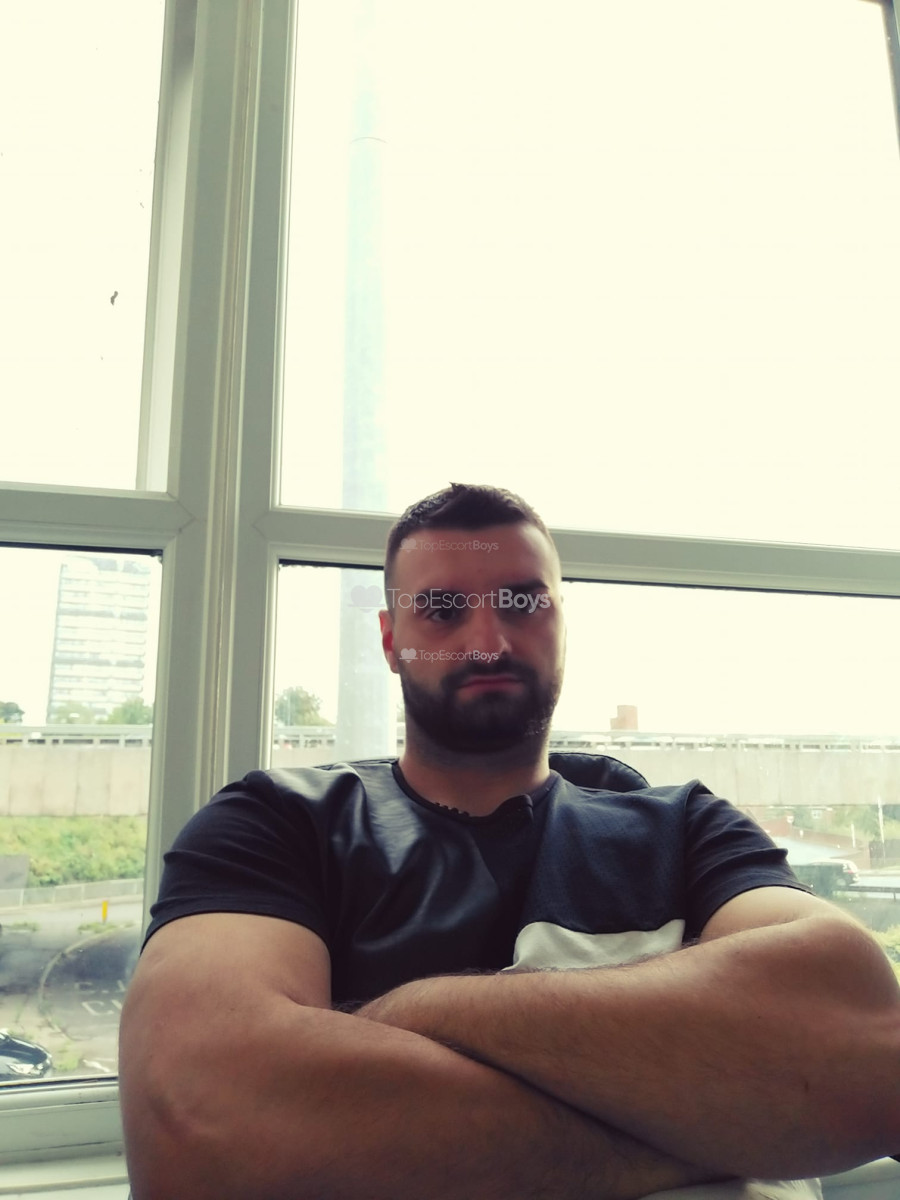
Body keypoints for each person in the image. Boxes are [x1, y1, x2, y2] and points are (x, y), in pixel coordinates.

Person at [119, 483, 900, 1200]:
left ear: (562, 625)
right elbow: (197, 1126)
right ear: (391, 641)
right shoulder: (277, 823)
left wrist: (414, 1008)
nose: (488, 640)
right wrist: (708, 1133)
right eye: (442, 609)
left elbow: (872, 1062)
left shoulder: (685, 826)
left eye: (524, 602)